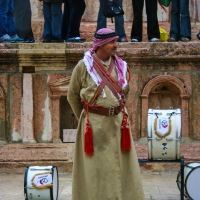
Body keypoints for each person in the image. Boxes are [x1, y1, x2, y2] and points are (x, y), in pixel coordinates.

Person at [67, 28, 145, 200]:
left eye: (116, 41)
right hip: (94, 126)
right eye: (112, 42)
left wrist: (119, 110)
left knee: (121, 166)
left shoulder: (121, 65)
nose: (116, 46)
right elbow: (72, 95)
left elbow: (126, 92)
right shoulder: (83, 66)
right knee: (96, 168)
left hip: (118, 124)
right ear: (101, 45)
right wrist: (87, 116)